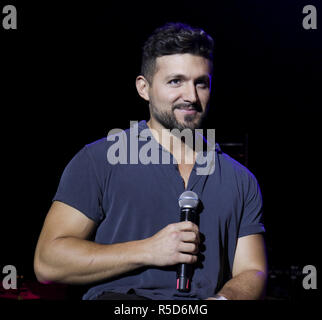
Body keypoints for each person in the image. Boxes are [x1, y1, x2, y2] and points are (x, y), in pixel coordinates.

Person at [34, 22, 267, 300]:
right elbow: (48, 262)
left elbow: (253, 271)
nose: (191, 97)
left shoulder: (239, 179)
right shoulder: (98, 160)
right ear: (144, 88)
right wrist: (149, 250)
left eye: (201, 83)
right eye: (175, 81)